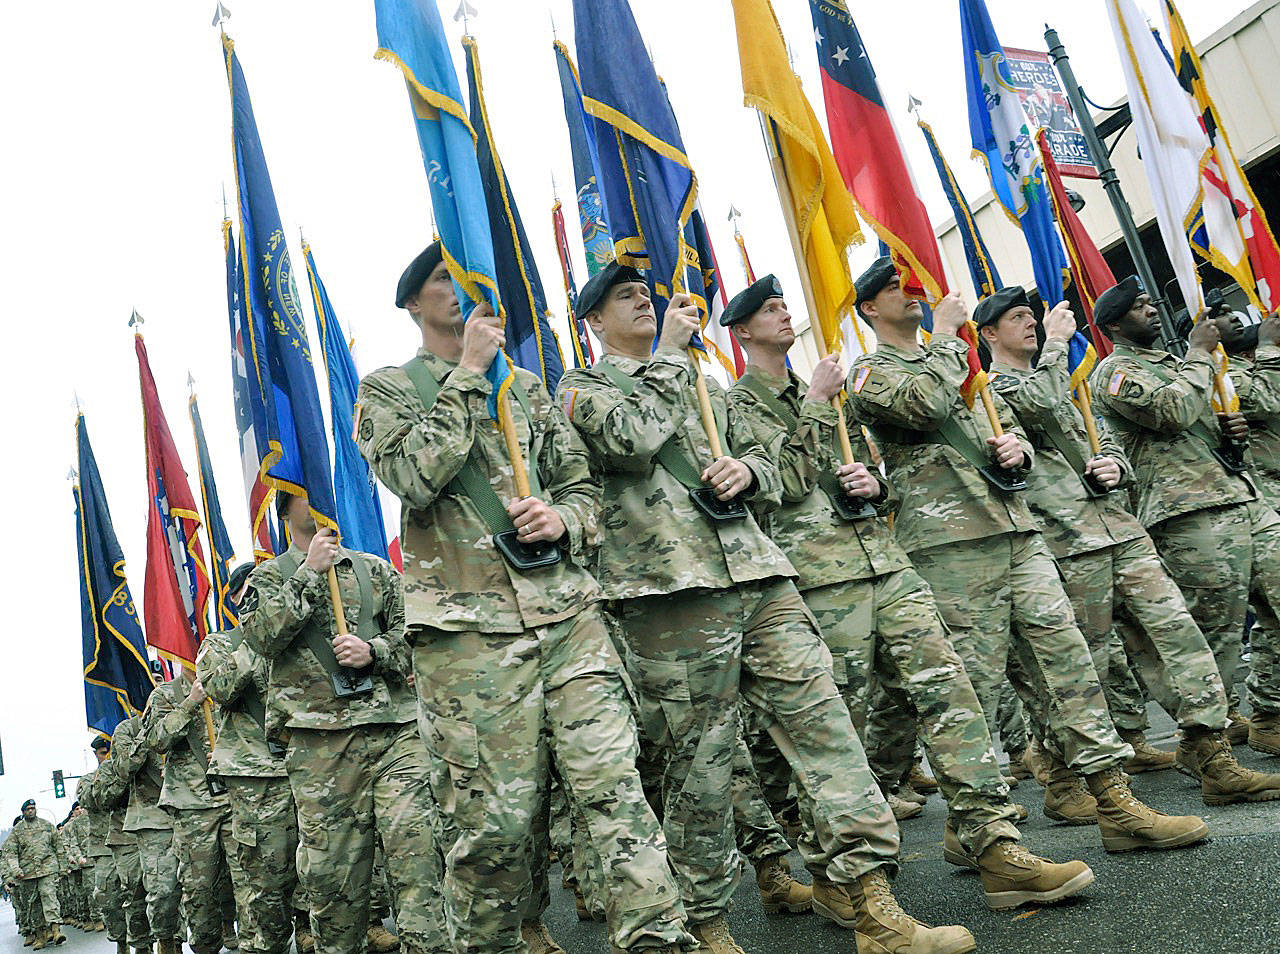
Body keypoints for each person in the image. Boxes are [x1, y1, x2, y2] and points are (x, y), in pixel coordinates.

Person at [557, 262, 975, 954]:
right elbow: (629, 441)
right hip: (671, 598)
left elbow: (782, 469)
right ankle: (711, 925)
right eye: (621, 297)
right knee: (702, 773)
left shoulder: (707, 387)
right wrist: (666, 353)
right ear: (593, 321)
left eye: (644, 291)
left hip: (759, 578)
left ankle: (876, 906)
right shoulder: (580, 390)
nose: (641, 299)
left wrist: (750, 471)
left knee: (829, 735)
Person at [354, 243, 694, 954]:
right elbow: (415, 476)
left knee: (616, 793)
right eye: (444, 281)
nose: (461, 290)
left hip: (568, 617)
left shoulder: (531, 390)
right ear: (413, 303)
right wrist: (471, 372)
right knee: (495, 834)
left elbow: (581, 487)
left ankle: (660, 939)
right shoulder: (387, 389)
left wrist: (564, 517)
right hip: (468, 637)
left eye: (466, 276)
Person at [724, 274, 1092, 909]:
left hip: (883, 560)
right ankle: (833, 868)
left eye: (788, 305)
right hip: (812, 580)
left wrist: (874, 485)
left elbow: (881, 475)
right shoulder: (734, 406)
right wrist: (815, 403)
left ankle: (992, 838)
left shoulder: (831, 394)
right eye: (771, 310)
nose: (786, 316)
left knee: (949, 692)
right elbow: (778, 481)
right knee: (836, 730)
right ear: (742, 330)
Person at [845, 257, 1208, 855]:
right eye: (891, 289)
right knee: (973, 691)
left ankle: (1114, 799)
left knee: (1068, 664)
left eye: (907, 284)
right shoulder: (870, 372)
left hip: (1016, 529)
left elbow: (1012, 433)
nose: (907, 292)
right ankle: (976, 825)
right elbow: (925, 409)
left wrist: (1017, 453)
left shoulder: (962, 368)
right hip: (949, 545)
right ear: (868, 310)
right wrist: (941, 335)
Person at [977, 285, 1280, 806]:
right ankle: (1061, 773)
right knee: (1079, 667)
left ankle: (1211, 755)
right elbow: (1040, 403)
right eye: (1020, 318)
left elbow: (1099, 437)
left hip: (1116, 527)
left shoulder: (1056, 379)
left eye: (1034, 317)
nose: (1033, 324)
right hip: (1061, 542)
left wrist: (1113, 463)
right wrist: (1054, 345)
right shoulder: (990, 390)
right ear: (989, 334)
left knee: (1178, 635)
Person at [240, 490, 448, 954]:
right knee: (334, 884)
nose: (320, 500)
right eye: (305, 495)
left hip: (395, 732)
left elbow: (415, 635)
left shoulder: (374, 569)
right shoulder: (269, 577)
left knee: (420, 862)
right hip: (320, 747)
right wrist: (309, 571)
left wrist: (375, 652)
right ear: (286, 509)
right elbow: (261, 637)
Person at [1091, 277, 1280, 768]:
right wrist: (1198, 353)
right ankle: (1207, 744)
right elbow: (1169, 412)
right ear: (1114, 325)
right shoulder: (1113, 372)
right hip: (1185, 512)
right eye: (1137, 307)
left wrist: (1226, 428)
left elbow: (1196, 421)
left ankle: (1268, 714)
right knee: (1215, 631)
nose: (1150, 308)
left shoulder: (1177, 365)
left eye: (1149, 301)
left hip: (1237, 494)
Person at [196, 562, 313, 954]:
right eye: (250, 591)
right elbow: (222, 688)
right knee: (267, 879)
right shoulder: (221, 643)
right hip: (256, 776)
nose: (260, 595)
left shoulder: (296, 632)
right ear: (234, 600)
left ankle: (311, 932)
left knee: (320, 865)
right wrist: (258, 634)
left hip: (312, 763)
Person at [142, 658, 243, 954]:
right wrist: (190, 702)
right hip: (192, 805)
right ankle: (207, 945)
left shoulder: (229, 682)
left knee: (250, 881)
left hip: (236, 795)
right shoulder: (165, 695)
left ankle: (255, 945)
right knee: (200, 891)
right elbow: (156, 740)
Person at [1220, 312, 1280, 754]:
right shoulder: (1227, 374)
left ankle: (1265, 714)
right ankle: (1256, 714)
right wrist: (1271, 352)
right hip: (1262, 496)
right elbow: (1266, 401)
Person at [118, 702, 182, 954]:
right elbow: (123, 768)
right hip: (154, 819)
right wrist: (147, 732)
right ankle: (166, 939)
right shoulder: (128, 729)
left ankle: (185, 940)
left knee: (199, 890)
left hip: (196, 808)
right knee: (163, 890)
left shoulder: (193, 708)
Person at [1, 801, 66, 948]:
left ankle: (56, 930)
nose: (31, 811)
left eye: (33, 808)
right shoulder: (17, 831)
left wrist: (63, 866)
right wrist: (15, 869)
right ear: (23, 812)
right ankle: (41, 935)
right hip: (27, 874)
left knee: (49, 896)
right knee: (33, 905)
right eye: (28, 809)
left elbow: (58, 846)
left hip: (47, 869)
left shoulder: (46, 825)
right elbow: (10, 852)